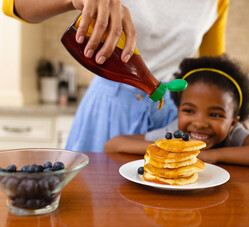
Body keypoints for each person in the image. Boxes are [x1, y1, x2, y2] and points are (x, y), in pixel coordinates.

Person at [2, 0, 229, 152]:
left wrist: (234, 118)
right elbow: (13, 5)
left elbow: (213, 67)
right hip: (108, 108)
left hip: (169, 113)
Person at [104, 55, 249, 167]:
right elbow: (113, 145)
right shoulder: (174, 135)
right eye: (189, 111)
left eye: (216, 115)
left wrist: (213, 156)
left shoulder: (234, 134)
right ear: (178, 111)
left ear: (233, 122)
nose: (200, 123)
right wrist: (173, 151)